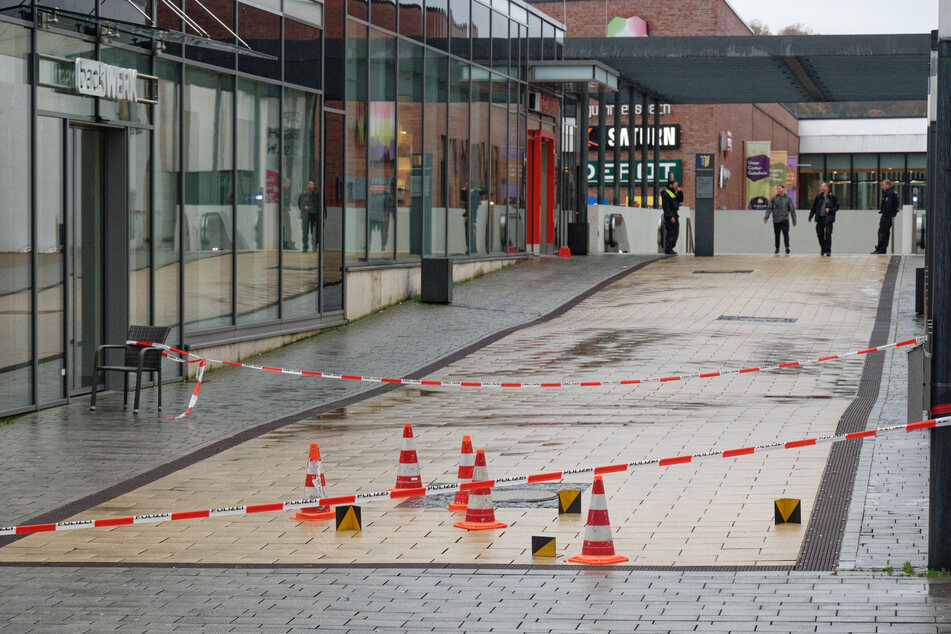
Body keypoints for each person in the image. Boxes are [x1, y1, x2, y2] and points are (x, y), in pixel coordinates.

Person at [763, 184, 797, 254]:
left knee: (785, 233)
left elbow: (792, 210)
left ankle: (787, 247)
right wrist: (766, 217)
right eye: (777, 189)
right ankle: (777, 248)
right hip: (776, 219)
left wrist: (794, 220)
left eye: (780, 188)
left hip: (784, 219)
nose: (778, 190)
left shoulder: (788, 199)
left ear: (783, 189)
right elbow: (769, 208)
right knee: (777, 234)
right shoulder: (774, 199)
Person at [808, 181, 839, 256]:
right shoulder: (819, 197)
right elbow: (814, 207)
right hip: (820, 218)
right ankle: (823, 248)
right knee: (819, 233)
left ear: (827, 188)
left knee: (828, 234)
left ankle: (828, 250)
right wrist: (811, 216)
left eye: (823, 186)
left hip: (828, 218)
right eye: (821, 186)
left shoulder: (832, 197)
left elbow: (837, 207)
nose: (821, 188)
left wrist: (830, 210)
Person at [872, 178, 900, 254]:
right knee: (885, 232)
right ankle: (882, 248)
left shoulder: (889, 193)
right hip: (889, 215)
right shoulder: (893, 192)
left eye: (883, 185)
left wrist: (885, 214)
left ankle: (881, 249)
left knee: (882, 232)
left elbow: (888, 205)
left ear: (888, 185)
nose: (882, 187)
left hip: (887, 216)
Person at [661, 178, 684, 255]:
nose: (676, 187)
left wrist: (680, 192)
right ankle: (668, 249)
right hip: (671, 215)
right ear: (670, 185)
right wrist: (670, 216)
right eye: (675, 185)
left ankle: (671, 248)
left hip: (674, 214)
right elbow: (666, 207)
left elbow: (679, 200)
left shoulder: (672, 192)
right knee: (671, 232)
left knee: (675, 232)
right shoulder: (666, 193)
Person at [298, 180, 319, 252]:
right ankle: (305, 246)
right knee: (305, 231)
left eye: (312, 185)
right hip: (305, 215)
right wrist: (304, 207)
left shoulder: (316, 195)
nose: (311, 186)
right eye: (310, 184)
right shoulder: (303, 195)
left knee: (314, 231)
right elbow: (299, 204)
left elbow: (318, 204)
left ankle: (314, 246)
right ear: (307, 185)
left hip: (313, 215)